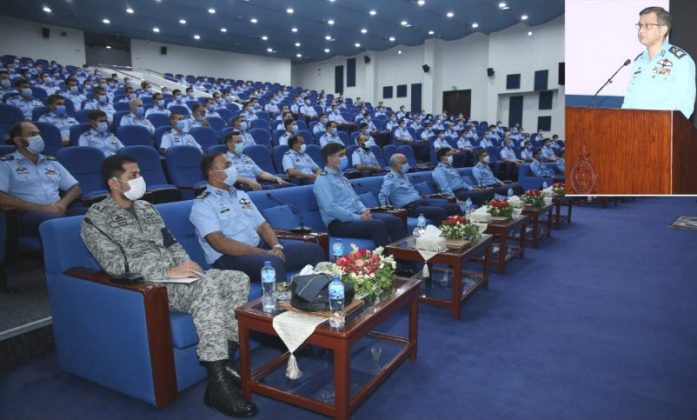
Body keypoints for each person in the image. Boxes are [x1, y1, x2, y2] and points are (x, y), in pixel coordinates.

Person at [80, 155, 256, 418]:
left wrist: (187, 263)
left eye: (140, 173)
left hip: (177, 276)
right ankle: (219, 387)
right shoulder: (96, 220)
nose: (140, 179)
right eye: (133, 176)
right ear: (114, 183)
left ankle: (220, 368)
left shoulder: (147, 209)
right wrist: (167, 272)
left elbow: (170, 243)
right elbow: (114, 266)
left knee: (236, 279)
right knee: (204, 290)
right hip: (150, 284)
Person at [190, 152, 324, 288]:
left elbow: (263, 225)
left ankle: (312, 297)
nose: (233, 168)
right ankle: (280, 307)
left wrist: (276, 247)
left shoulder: (240, 195)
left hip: (259, 250)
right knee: (272, 263)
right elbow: (220, 243)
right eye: (227, 165)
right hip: (229, 259)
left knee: (314, 251)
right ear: (213, 173)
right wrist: (265, 253)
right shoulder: (203, 204)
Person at [0, 122, 84, 247]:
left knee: (94, 215)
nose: (38, 138)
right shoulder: (6, 164)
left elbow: (75, 188)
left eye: (39, 134)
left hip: (59, 209)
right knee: (57, 223)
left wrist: (62, 204)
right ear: (18, 140)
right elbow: (2, 199)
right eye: (32, 134)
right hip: (27, 214)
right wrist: (42, 209)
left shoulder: (51, 161)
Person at [313, 143, 406, 247]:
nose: (345, 158)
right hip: (338, 223)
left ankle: (403, 259)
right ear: (330, 158)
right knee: (377, 225)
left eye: (345, 154)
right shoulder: (323, 180)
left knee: (395, 220)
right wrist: (358, 218)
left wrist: (364, 211)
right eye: (341, 155)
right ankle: (388, 261)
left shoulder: (342, 177)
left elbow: (355, 200)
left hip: (356, 216)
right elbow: (330, 208)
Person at [622, 6, 696, 119]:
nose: (641, 30)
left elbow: (684, 106)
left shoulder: (680, 60)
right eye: (640, 25)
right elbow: (629, 100)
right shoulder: (639, 61)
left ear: (663, 29)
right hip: (634, 128)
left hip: (662, 130)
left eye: (648, 26)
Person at [379, 153, 460, 226]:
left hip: (420, 203)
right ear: (395, 165)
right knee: (439, 211)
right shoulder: (390, 179)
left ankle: (461, 231)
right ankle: (447, 237)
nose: (406, 164)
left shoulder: (404, 176)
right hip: (409, 208)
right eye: (403, 163)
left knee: (454, 207)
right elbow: (382, 196)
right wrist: (389, 211)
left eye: (406, 162)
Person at [224, 130, 288, 190]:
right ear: (229, 145)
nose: (241, 144)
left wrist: (276, 179)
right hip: (241, 188)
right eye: (238, 142)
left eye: (241, 141)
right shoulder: (225, 159)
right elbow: (229, 176)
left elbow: (261, 173)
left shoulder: (245, 158)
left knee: (286, 185)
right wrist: (247, 181)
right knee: (270, 189)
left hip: (256, 186)